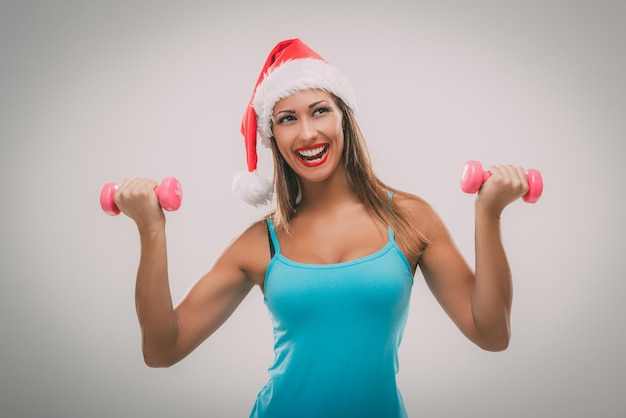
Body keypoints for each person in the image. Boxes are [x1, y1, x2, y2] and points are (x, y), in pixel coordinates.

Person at [112, 38, 531, 417]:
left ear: (343, 117)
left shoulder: (408, 219)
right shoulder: (261, 243)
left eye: (320, 111)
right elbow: (162, 349)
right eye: (287, 119)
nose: (307, 133)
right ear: (272, 136)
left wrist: (488, 213)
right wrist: (151, 229)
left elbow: (491, 333)